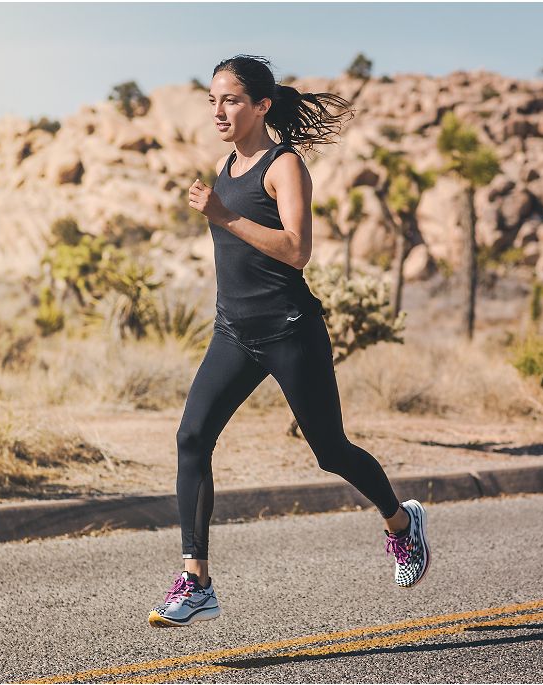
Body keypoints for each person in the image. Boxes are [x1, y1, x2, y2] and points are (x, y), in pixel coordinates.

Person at [148, 55, 431, 628]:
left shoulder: (285, 166)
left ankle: (401, 522)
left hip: (289, 332)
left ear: (261, 106)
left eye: (230, 100)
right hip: (233, 331)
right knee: (192, 437)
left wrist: (224, 215)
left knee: (329, 450)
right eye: (212, 100)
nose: (218, 110)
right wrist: (222, 210)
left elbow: (298, 250)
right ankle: (196, 579)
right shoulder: (227, 165)